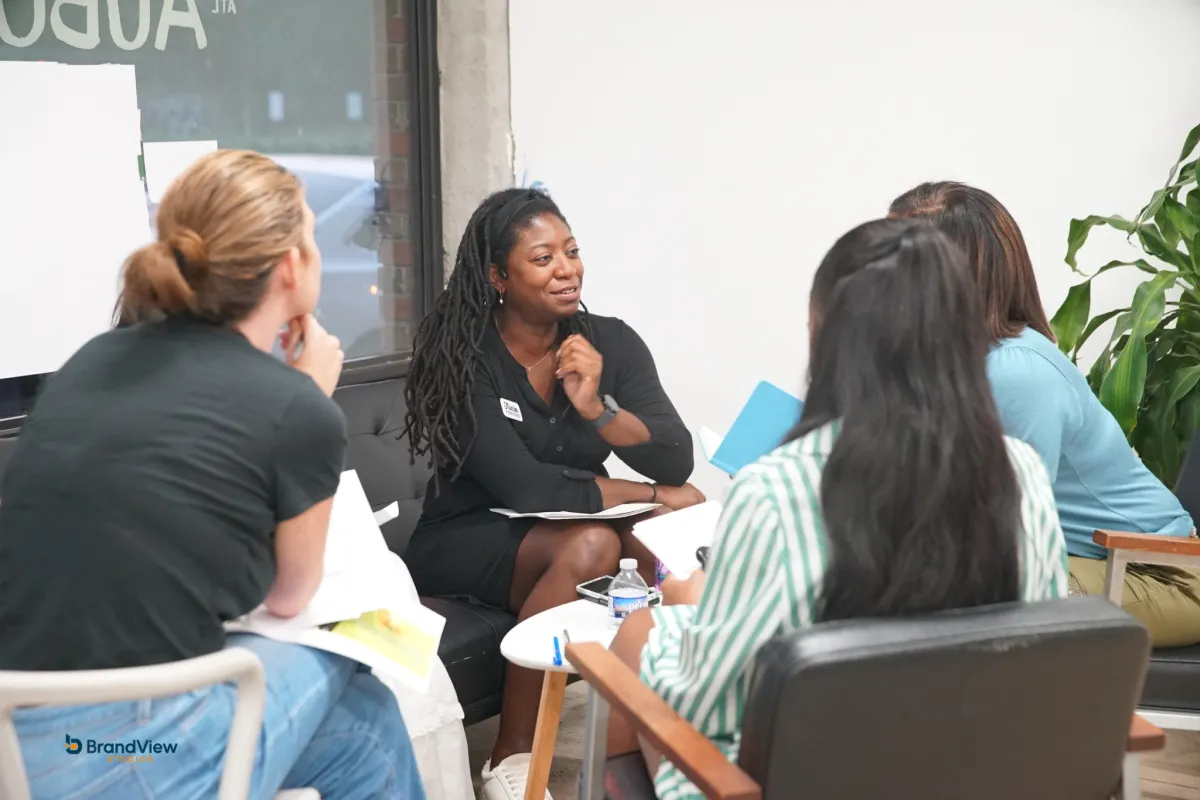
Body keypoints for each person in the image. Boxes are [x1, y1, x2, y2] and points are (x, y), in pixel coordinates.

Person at [0, 150, 426, 800]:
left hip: (22, 745)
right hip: (131, 750)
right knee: (353, 653)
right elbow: (290, 596)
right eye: (312, 235)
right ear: (290, 265)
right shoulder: (295, 406)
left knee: (362, 730)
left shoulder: (93, 360)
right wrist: (307, 392)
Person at [605, 218, 1069, 800]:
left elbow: (709, 701)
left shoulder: (775, 489)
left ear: (823, 336)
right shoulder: (1021, 472)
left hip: (800, 781)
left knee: (640, 634)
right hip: (980, 775)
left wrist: (690, 605)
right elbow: (1041, 658)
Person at [401, 187, 703, 799]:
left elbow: (675, 454)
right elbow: (523, 484)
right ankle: (510, 761)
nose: (566, 269)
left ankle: (669, 742)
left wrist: (597, 409)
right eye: (543, 258)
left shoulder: (608, 343)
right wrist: (650, 492)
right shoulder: (466, 353)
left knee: (660, 544)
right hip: (465, 535)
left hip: (563, 528)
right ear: (497, 275)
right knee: (594, 542)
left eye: (571, 251)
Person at [890, 181, 1200, 647]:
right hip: (1091, 562)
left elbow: (999, 528)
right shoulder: (952, 365)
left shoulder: (1016, 371)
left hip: (1162, 575)